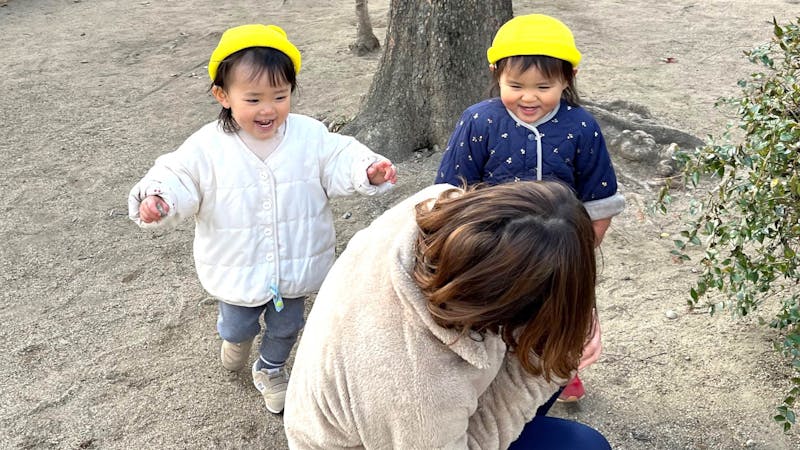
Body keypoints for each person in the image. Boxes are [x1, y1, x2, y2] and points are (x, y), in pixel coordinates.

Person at [127, 23, 397, 415]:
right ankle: (235, 341)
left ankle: (270, 368)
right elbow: (177, 174)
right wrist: (158, 197)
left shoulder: (308, 135)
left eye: (280, 96)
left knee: (287, 326)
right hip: (237, 265)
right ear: (223, 96)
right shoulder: (207, 146)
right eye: (252, 99)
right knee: (238, 325)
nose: (268, 109)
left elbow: (339, 157)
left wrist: (367, 170)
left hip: (296, 260)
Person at [284, 181, 611, 449]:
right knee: (582, 445)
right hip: (382, 432)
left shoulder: (440, 203)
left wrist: (563, 324)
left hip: (381, 403)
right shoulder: (413, 389)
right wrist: (541, 368)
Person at [434, 13, 625, 403]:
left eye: (543, 86)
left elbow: (598, 200)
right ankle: (487, 382)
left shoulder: (581, 127)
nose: (529, 97)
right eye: (515, 85)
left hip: (558, 247)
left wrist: (579, 254)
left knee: (553, 315)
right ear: (496, 74)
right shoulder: (478, 121)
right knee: (492, 314)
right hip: (492, 249)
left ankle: (558, 369)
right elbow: (449, 193)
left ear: (567, 79)